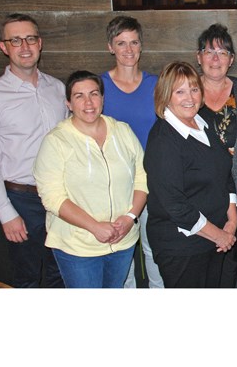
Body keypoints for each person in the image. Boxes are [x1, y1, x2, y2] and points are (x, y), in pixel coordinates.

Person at [0, 13, 66, 288]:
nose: (24, 47)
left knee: (59, 272)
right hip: (21, 201)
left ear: (40, 43)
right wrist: (6, 212)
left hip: (60, 197)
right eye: (16, 40)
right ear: (4, 47)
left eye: (30, 39)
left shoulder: (57, 88)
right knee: (26, 279)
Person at [33, 71, 148, 288]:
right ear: (68, 103)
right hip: (78, 247)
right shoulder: (56, 141)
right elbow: (52, 197)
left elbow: (142, 176)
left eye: (94, 94)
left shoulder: (122, 131)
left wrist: (130, 217)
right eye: (79, 96)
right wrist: (94, 227)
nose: (88, 102)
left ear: (103, 99)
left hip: (123, 240)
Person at [144, 61, 237, 288]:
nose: (190, 97)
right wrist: (219, 235)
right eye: (180, 91)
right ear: (166, 96)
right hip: (182, 247)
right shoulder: (163, 139)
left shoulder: (202, 123)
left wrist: (232, 220)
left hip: (215, 238)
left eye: (194, 89)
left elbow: (224, 172)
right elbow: (174, 204)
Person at [196, 23, 237, 287]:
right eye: (209, 52)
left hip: (236, 193)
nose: (215, 59)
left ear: (231, 59)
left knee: (229, 263)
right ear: (198, 57)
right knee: (199, 263)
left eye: (222, 53)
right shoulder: (186, 90)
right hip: (196, 194)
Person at [101, 15, 162, 288]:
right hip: (113, 185)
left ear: (141, 46)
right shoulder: (98, 88)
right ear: (110, 47)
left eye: (133, 42)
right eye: (121, 43)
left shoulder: (156, 85)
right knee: (121, 251)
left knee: (153, 249)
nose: (128, 50)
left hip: (151, 182)